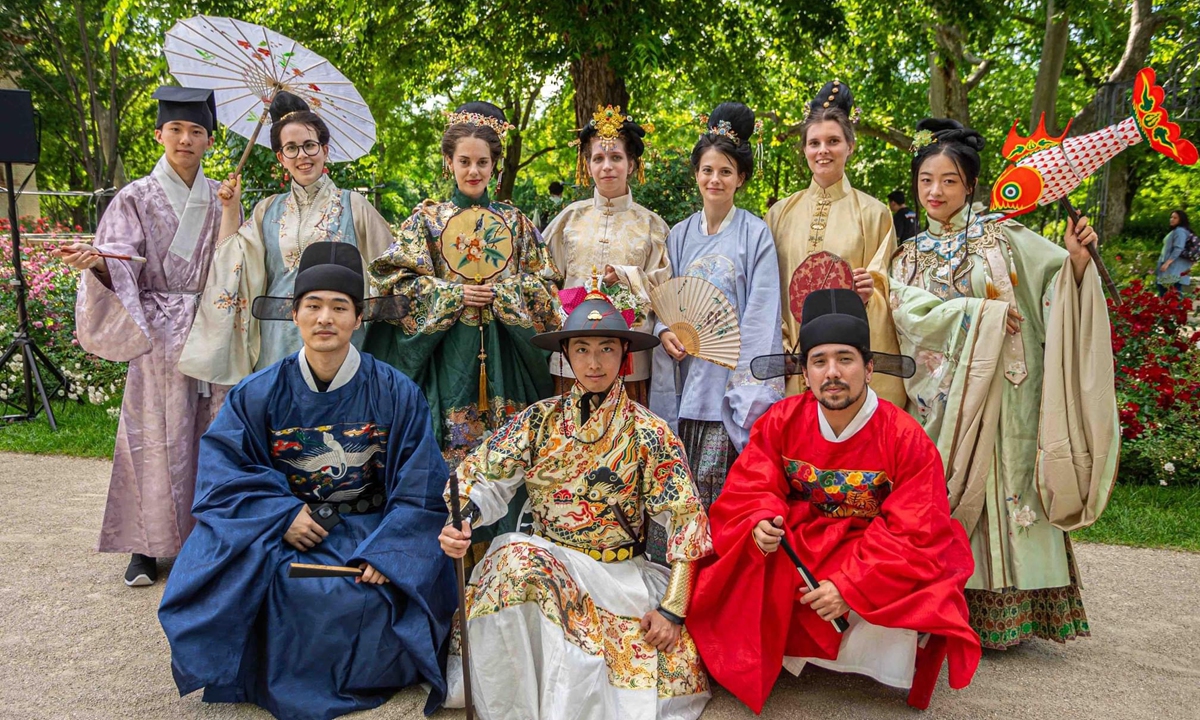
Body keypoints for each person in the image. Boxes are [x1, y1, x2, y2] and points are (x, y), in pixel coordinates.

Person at [159, 242, 457, 720]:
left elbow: (421, 484)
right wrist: (280, 516)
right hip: (290, 528)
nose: (325, 318)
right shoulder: (257, 393)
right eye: (313, 306)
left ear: (358, 319)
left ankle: (362, 670)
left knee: (364, 589)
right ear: (293, 313)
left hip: (371, 528)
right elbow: (223, 478)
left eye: (339, 307)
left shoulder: (396, 391)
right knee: (281, 583)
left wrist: (392, 552)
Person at [686, 289, 980, 712]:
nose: (833, 373)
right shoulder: (782, 421)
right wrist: (761, 519)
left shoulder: (904, 437)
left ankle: (877, 660)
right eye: (819, 361)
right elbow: (752, 484)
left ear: (869, 367)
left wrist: (850, 586)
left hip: (878, 549)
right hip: (806, 540)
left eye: (845, 359)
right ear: (804, 373)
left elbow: (917, 526)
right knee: (746, 558)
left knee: (928, 577)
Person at [889, 119, 1119, 650]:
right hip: (942, 396)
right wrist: (974, 317)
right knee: (945, 486)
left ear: (970, 184)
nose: (935, 192)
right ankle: (944, 605)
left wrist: (1079, 260)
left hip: (1010, 391)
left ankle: (1013, 610)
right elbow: (905, 317)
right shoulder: (908, 253)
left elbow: (1060, 281)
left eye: (948, 180)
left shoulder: (1005, 237)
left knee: (1005, 482)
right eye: (926, 180)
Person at [439, 291, 713, 720]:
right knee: (513, 558)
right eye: (581, 349)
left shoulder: (649, 432)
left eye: (607, 349)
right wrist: (464, 521)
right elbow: (483, 477)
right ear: (565, 355)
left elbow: (685, 520)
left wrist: (672, 609)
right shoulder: (538, 420)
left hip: (616, 573)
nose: (594, 363)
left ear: (624, 355)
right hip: (548, 559)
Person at [61, 86, 225, 586]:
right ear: (159, 135)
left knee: (211, 432)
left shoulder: (222, 197)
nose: (185, 139)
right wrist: (102, 268)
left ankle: (208, 538)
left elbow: (237, 260)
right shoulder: (134, 197)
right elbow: (118, 258)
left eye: (196, 131)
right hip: (157, 331)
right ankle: (145, 545)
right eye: (175, 129)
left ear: (210, 141)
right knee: (153, 435)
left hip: (211, 327)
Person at [365, 101, 561, 472]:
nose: (473, 171)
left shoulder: (516, 223)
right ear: (448, 162)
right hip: (447, 352)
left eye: (482, 162)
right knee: (450, 439)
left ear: (495, 166)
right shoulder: (426, 221)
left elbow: (547, 285)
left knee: (511, 442)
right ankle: (451, 525)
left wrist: (502, 294)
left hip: (507, 350)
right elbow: (394, 283)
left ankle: (506, 524)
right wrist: (454, 294)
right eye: (464, 161)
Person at [179, 91, 393, 385]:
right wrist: (230, 209)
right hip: (278, 340)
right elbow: (232, 260)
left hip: (340, 338)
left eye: (309, 145)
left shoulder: (355, 206)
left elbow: (391, 268)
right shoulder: (267, 210)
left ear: (324, 150)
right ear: (280, 157)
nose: (302, 156)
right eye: (291, 148)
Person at [647, 102, 783, 559]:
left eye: (726, 171)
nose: (715, 180)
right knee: (680, 494)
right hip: (686, 375)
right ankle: (674, 589)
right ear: (696, 174)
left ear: (740, 178)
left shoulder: (756, 234)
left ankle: (717, 589)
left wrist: (744, 385)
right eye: (707, 170)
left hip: (728, 384)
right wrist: (667, 329)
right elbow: (664, 295)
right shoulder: (679, 235)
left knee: (722, 500)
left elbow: (762, 312)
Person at [766, 80, 905, 406]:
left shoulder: (874, 213)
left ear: (850, 146)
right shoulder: (778, 214)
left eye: (833, 141)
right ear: (804, 150)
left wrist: (874, 289)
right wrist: (782, 343)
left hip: (848, 354)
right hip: (792, 357)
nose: (823, 150)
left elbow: (890, 283)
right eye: (814, 143)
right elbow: (766, 290)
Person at [543, 104, 671, 405]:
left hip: (629, 355)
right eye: (598, 158)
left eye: (616, 157)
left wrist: (627, 277)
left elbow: (665, 289)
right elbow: (544, 278)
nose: (607, 166)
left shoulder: (652, 225)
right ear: (587, 165)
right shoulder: (568, 220)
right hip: (572, 349)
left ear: (632, 164)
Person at [1155, 209, 1193, 296]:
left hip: (1174, 267)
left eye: (1175, 218)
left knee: (1169, 291)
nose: (1172, 219)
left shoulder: (1180, 231)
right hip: (1174, 267)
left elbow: (1178, 248)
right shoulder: (1178, 231)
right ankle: (1176, 309)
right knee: (1172, 291)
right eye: (1171, 217)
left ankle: (1176, 309)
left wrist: (1167, 263)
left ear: (1181, 220)